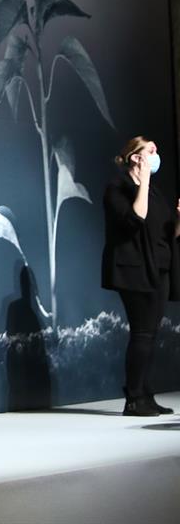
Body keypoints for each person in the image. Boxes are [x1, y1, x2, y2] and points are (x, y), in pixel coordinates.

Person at [101, 136, 180, 416]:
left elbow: (165, 232)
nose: (156, 153)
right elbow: (136, 219)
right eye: (151, 150)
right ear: (136, 157)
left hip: (159, 268)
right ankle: (133, 398)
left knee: (152, 333)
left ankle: (146, 393)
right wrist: (144, 180)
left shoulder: (155, 193)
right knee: (142, 332)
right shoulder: (117, 188)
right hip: (134, 269)